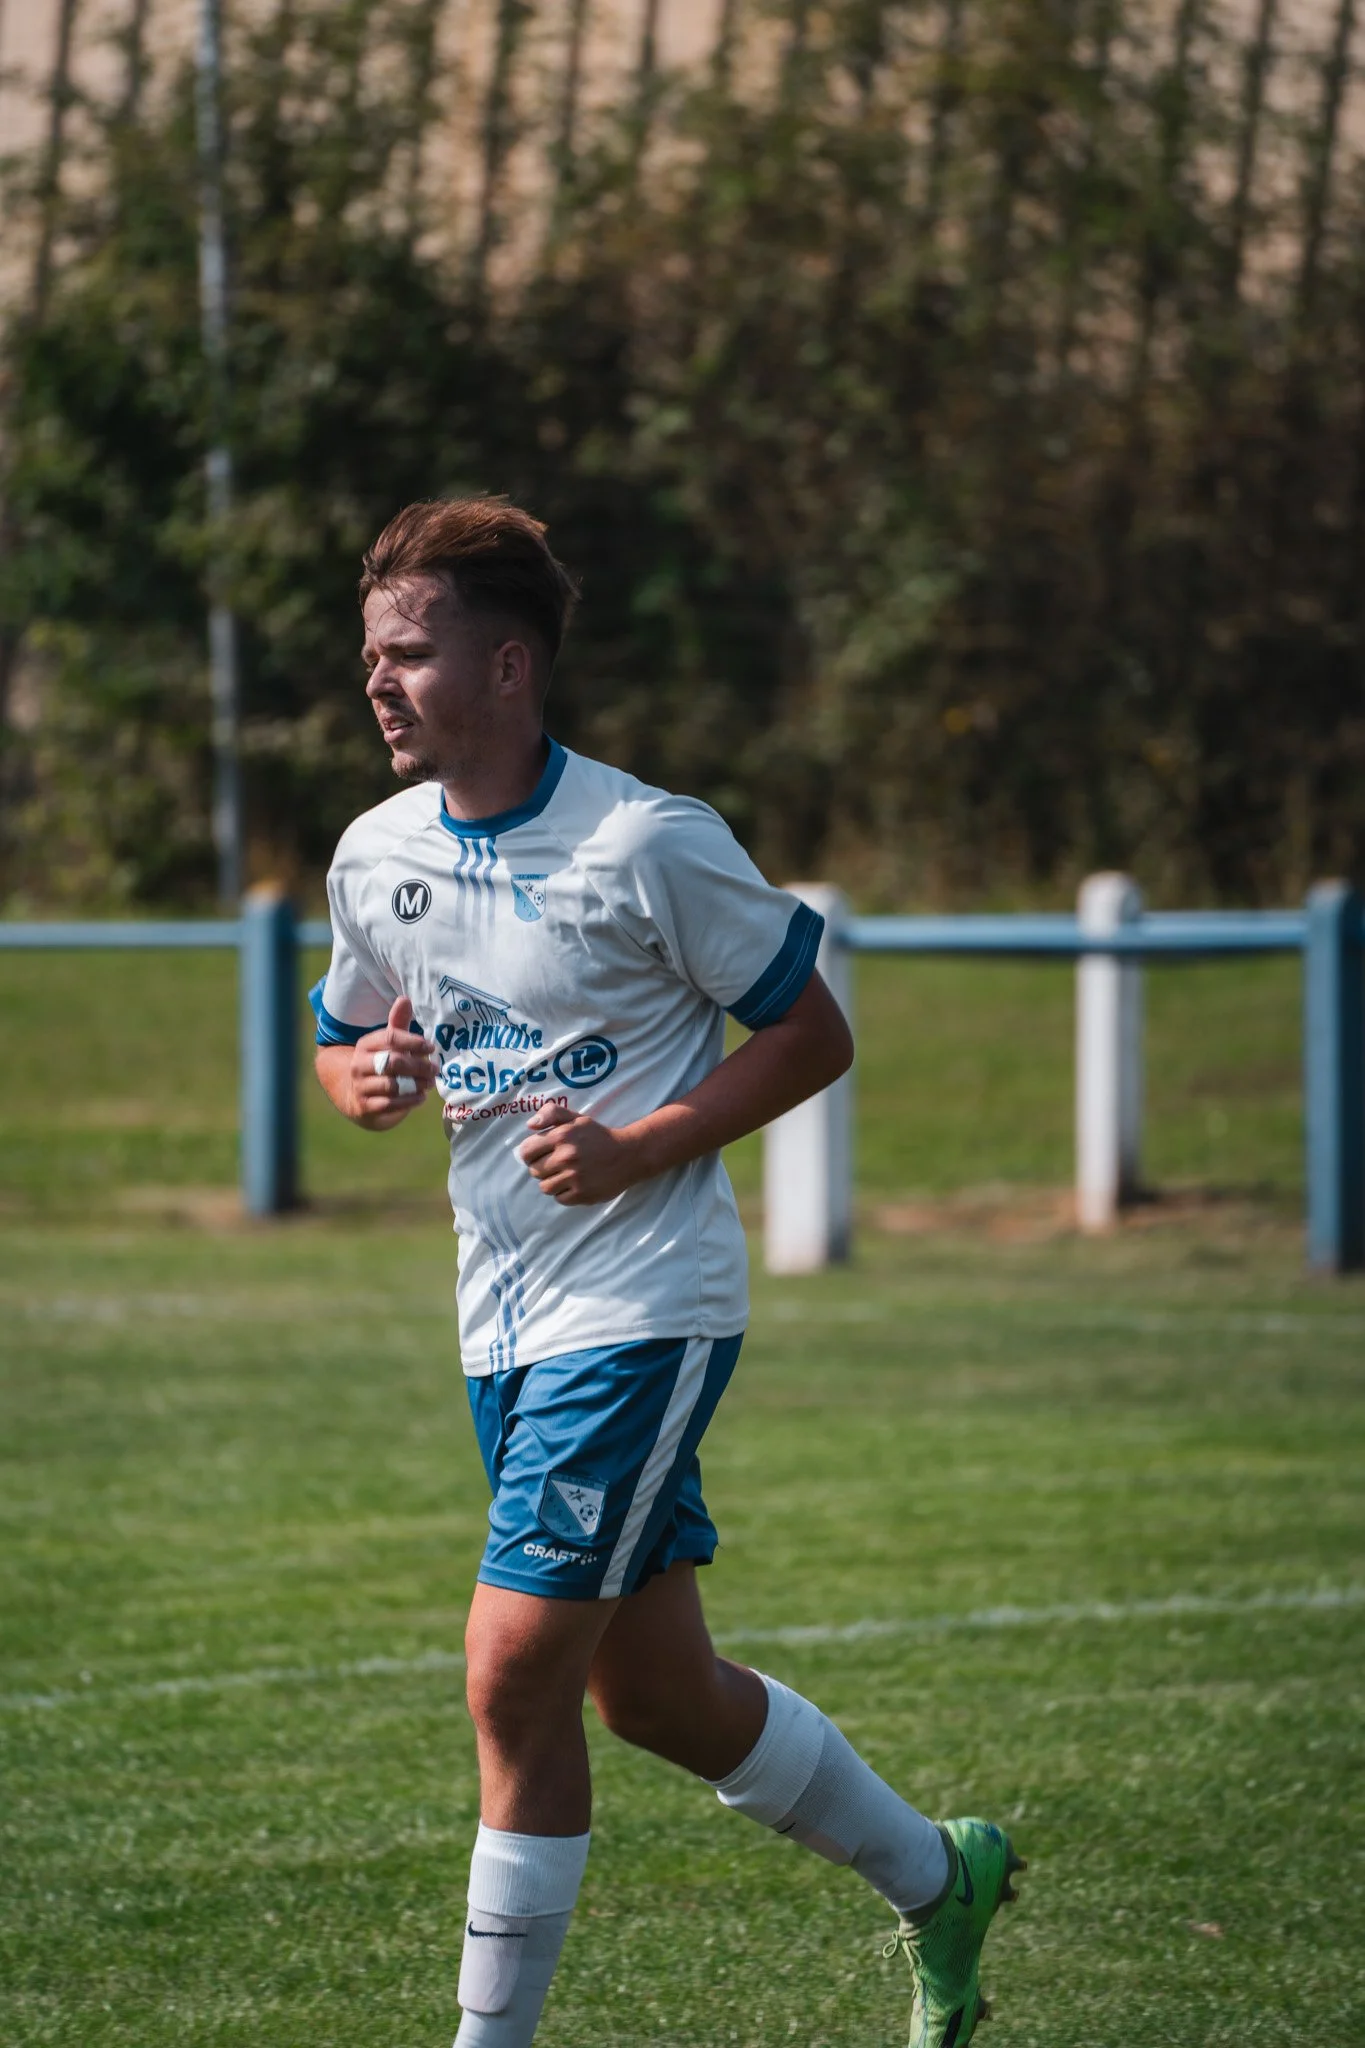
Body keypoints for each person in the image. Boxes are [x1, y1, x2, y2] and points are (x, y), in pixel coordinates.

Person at [311, 497, 1023, 2048]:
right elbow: (345, 1028)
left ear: (509, 667)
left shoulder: (648, 841)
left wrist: (642, 1144)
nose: (376, 683)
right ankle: (937, 1876)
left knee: (512, 1679)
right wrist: (361, 1078)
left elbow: (812, 1030)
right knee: (655, 1700)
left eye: (409, 654)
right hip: (496, 1321)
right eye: (371, 654)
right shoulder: (376, 856)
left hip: (642, 1309)